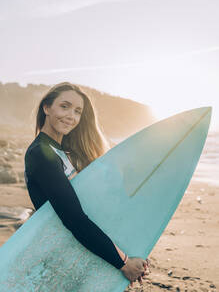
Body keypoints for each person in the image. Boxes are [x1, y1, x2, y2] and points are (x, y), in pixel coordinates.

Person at [24, 82, 149, 286]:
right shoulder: (41, 154)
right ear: (46, 108)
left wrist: (125, 251)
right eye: (64, 106)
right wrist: (123, 262)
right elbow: (74, 218)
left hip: (80, 249)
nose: (71, 116)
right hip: (64, 256)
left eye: (77, 111)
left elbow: (93, 206)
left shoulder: (61, 152)